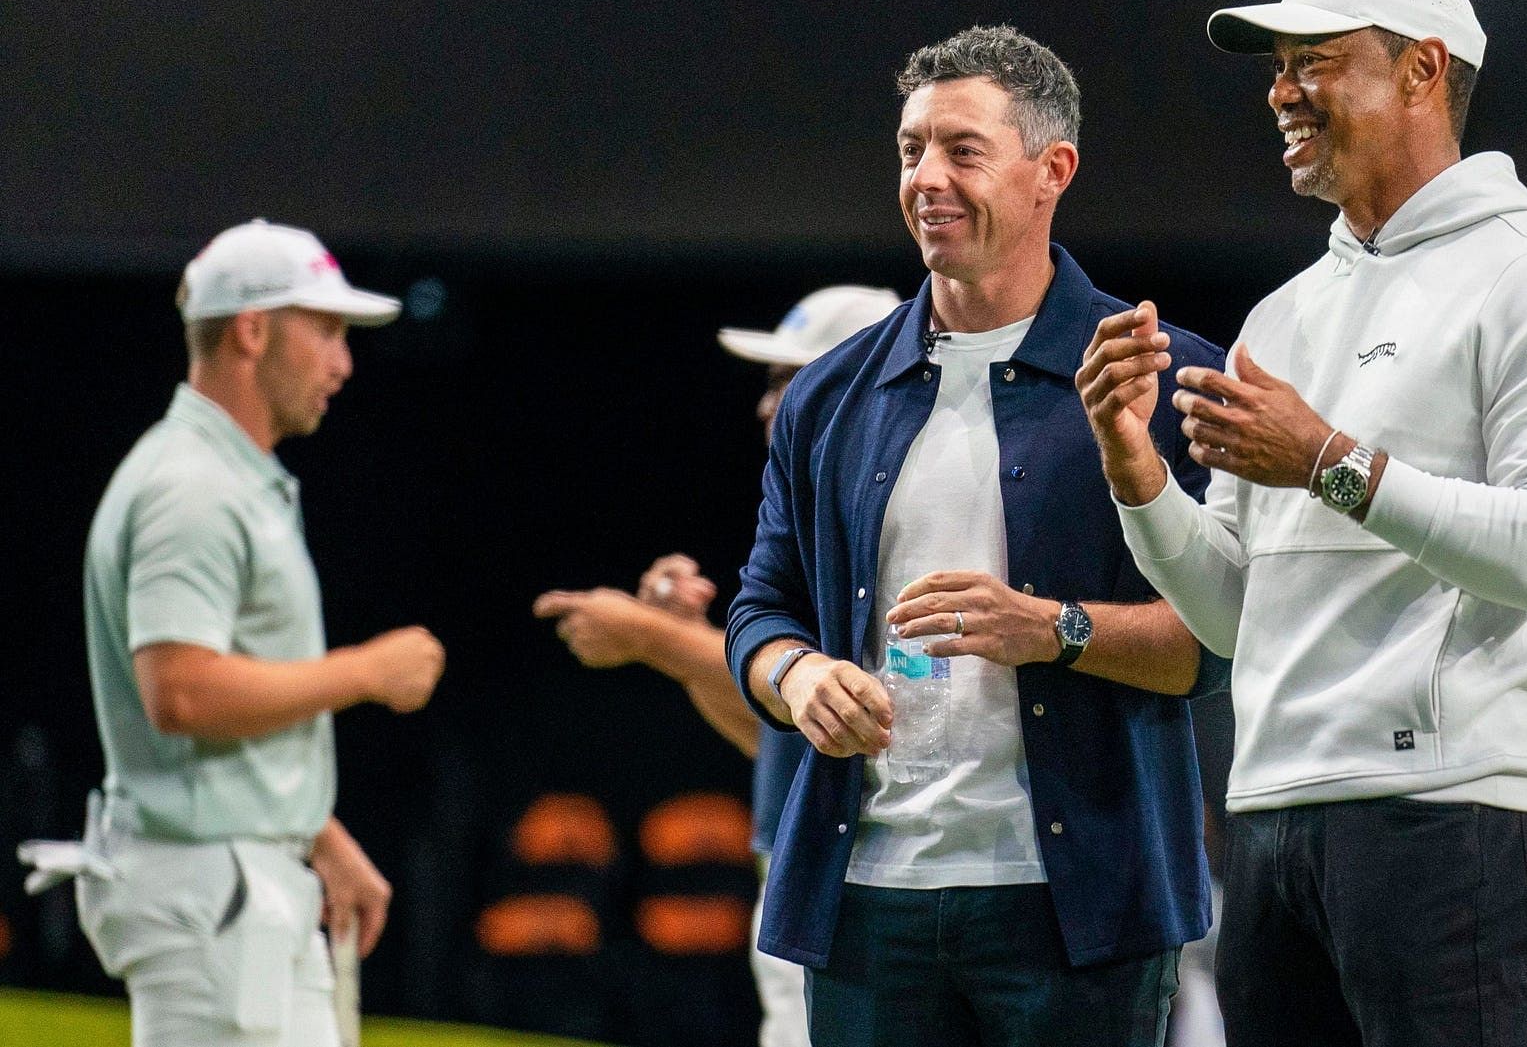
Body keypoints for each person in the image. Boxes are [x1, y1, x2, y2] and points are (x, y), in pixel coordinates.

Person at [1078, 0, 1527, 1046]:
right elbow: (1232, 615)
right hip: (1272, 818)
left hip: (1449, 812)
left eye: (1313, 61)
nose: (1279, 91)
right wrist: (1137, 478)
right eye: (1275, 66)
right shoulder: (1283, 314)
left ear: (1422, 72)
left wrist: (1330, 462)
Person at [725, 24, 1227, 1047]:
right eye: (911, 149)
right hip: (866, 901)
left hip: (1076, 907)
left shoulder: (1160, 377)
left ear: (1053, 171)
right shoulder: (830, 395)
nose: (925, 180)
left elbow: (1214, 645)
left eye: (961, 150)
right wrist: (797, 679)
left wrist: (1053, 629)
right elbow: (759, 609)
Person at [30, 219, 447, 1047]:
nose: (343, 362)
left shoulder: (221, 475)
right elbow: (180, 689)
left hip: (240, 883)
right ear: (252, 330)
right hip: (211, 895)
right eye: (324, 330)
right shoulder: (192, 486)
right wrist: (364, 670)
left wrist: (314, 830)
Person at [532, 282, 900, 1047]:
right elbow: (779, 731)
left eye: (786, 380)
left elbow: (858, 704)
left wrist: (649, 635)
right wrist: (684, 642)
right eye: (767, 384)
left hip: (867, 889)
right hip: (802, 879)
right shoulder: (802, 520)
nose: (768, 406)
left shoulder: (893, 517)